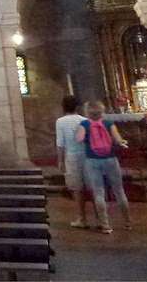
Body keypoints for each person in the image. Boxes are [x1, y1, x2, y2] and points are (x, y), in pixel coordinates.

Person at [76, 100, 131, 233]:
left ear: (87, 112)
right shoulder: (108, 123)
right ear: (102, 111)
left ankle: (106, 225)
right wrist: (121, 142)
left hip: (92, 160)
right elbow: (118, 139)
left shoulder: (84, 124)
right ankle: (127, 222)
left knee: (99, 192)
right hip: (110, 159)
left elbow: (79, 139)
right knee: (119, 191)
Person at [55, 95, 88, 228]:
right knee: (91, 187)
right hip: (86, 156)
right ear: (77, 107)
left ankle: (82, 218)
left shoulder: (60, 121)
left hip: (72, 156)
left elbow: (60, 143)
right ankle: (101, 219)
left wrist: (60, 161)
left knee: (77, 189)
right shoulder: (85, 120)